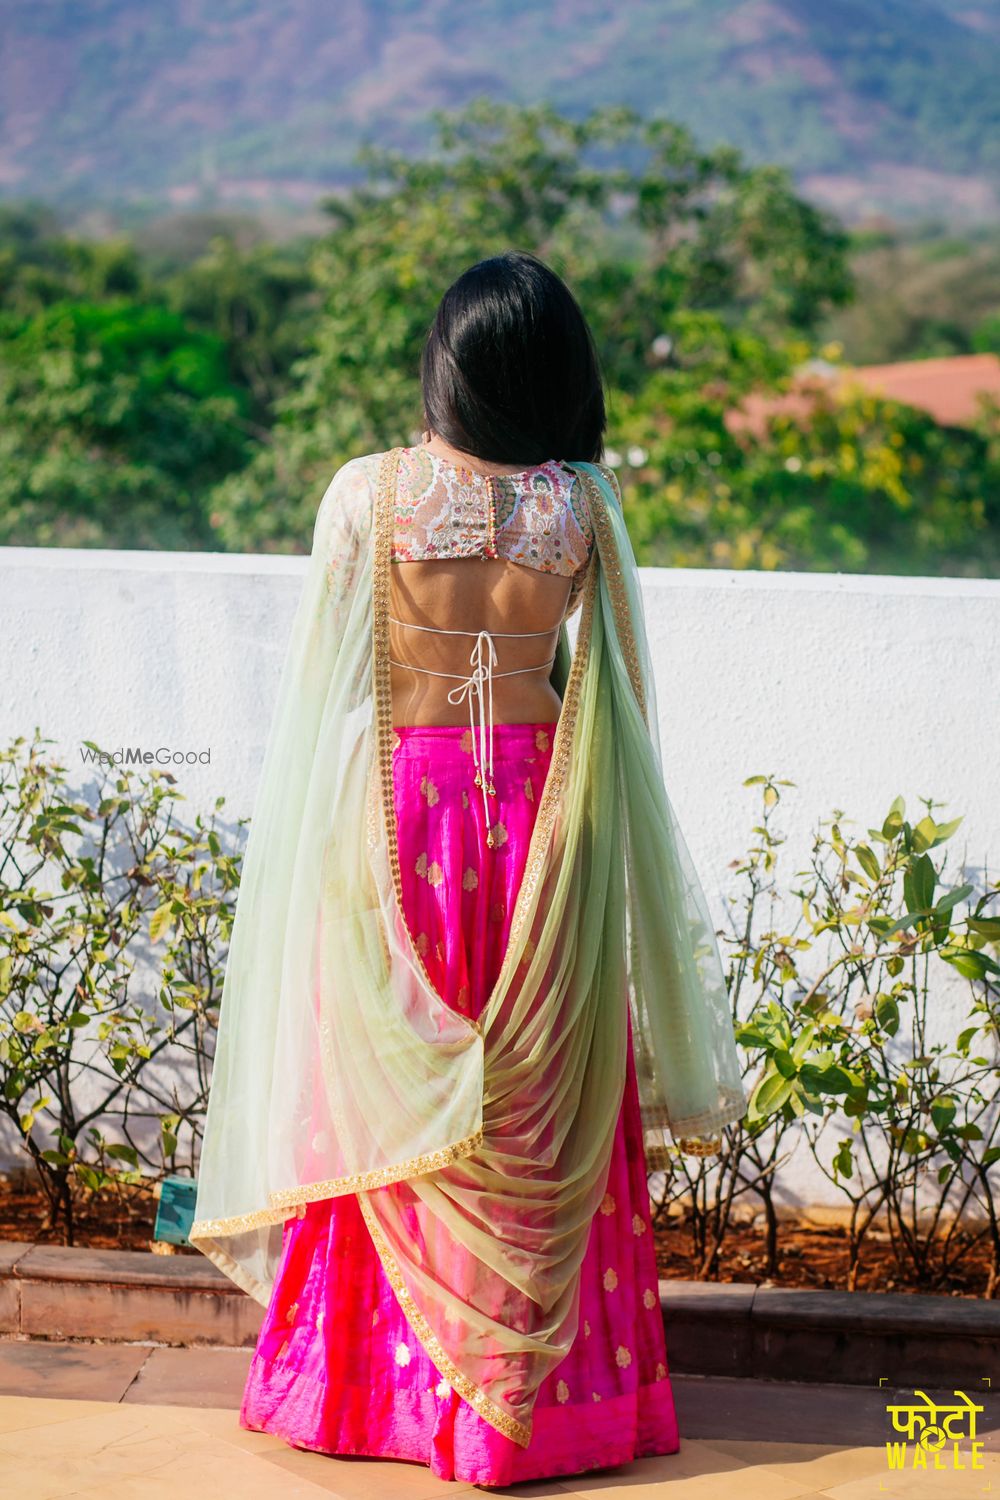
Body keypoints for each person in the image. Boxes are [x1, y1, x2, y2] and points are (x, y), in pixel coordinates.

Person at [189, 249, 746, 1487]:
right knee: (543, 1105)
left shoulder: (366, 497)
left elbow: (326, 691)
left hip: (407, 824)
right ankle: (547, 1414)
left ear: (447, 363)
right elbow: (625, 711)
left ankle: (384, 1396)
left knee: (391, 1089)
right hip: (554, 826)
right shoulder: (586, 507)